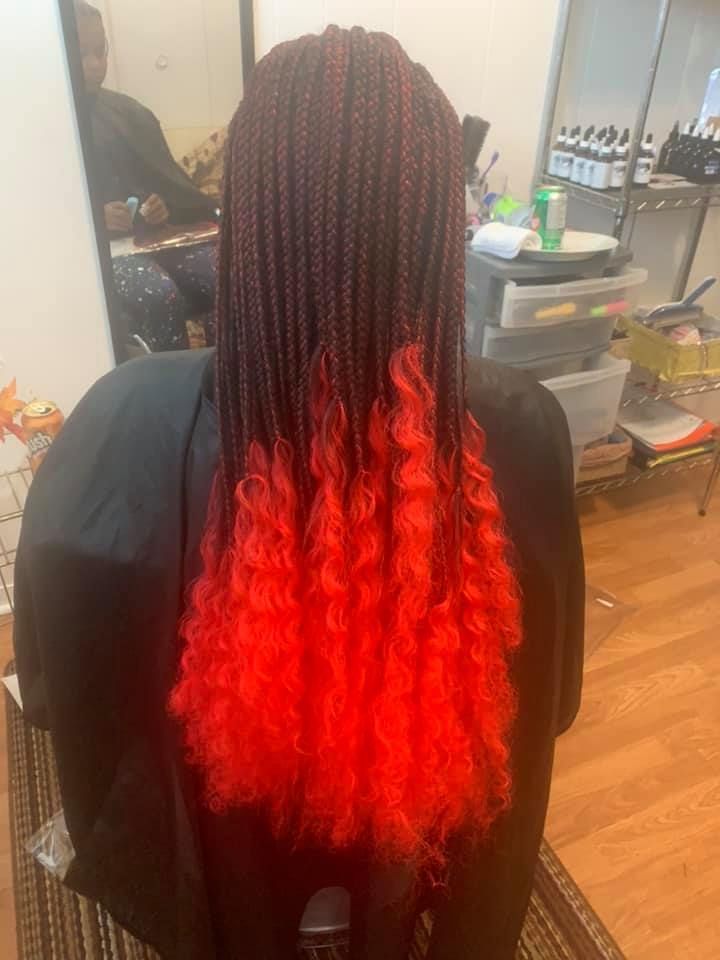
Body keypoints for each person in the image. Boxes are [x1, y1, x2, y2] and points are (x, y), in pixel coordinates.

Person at [14, 26, 584, 960]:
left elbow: (44, 693)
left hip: (223, 860)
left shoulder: (117, 423)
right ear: (438, 235)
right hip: (418, 850)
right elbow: (549, 705)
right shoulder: (517, 430)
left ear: (247, 227)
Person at [75, 1, 218, 351]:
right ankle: (170, 400)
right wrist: (94, 218)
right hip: (97, 256)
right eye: (83, 54)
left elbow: (172, 187)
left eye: (101, 51)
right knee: (157, 294)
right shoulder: (38, 127)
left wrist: (163, 207)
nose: (96, 64)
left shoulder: (131, 114)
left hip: (153, 240)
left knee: (224, 272)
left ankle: (228, 384)